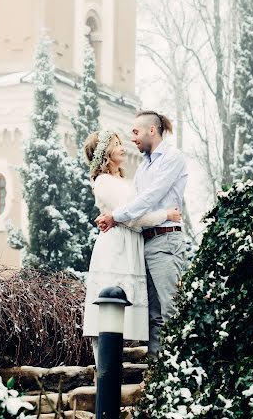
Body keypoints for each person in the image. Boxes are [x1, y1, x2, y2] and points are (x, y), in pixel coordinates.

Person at [82, 129, 181, 364]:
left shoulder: (123, 180)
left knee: (132, 307)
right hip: (116, 248)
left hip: (132, 245)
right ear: (104, 153)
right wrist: (165, 215)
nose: (122, 147)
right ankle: (103, 371)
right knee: (106, 308)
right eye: (116, 144)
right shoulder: (104, 181)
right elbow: (133, 217)